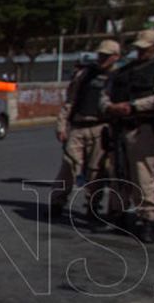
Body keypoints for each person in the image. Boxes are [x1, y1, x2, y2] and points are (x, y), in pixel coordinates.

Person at [100, 28, 154, 243]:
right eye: (139, 49)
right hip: (120, 127)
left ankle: (147, 220)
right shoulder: (125, 70)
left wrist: (133, 106)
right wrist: (110, 107)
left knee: (143, 175)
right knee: (118, 173)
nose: (141, 52)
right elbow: (105, 95)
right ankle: (117, 214)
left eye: (146, 48)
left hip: (142, 127)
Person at [51, 39, 122, 221]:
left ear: (116, 57)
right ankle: (57, 203)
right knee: (68, 165)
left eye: (107, 56)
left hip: (101, 127)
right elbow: (70, 100)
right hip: (79, 125)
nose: (102, 59)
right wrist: (62, 124)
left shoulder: (119, 77)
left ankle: (93, 205)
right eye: (101, 55)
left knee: (96, 170)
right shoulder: (84, 75)